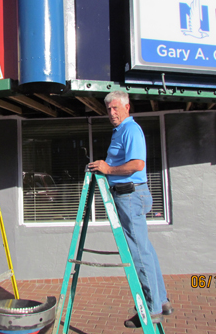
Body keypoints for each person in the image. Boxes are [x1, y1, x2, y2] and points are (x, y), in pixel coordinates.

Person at [88, 90, 173, 328]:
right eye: (108, 109)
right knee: (144, 248)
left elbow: (137, 165)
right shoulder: (122, 131)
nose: (112, 113)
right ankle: (162, 301)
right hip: (130, 195)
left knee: (138, 252)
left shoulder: (131, 129)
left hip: (130, 195)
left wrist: (108, 170)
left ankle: (150, 308)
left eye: (116, 108)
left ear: (127, 107)